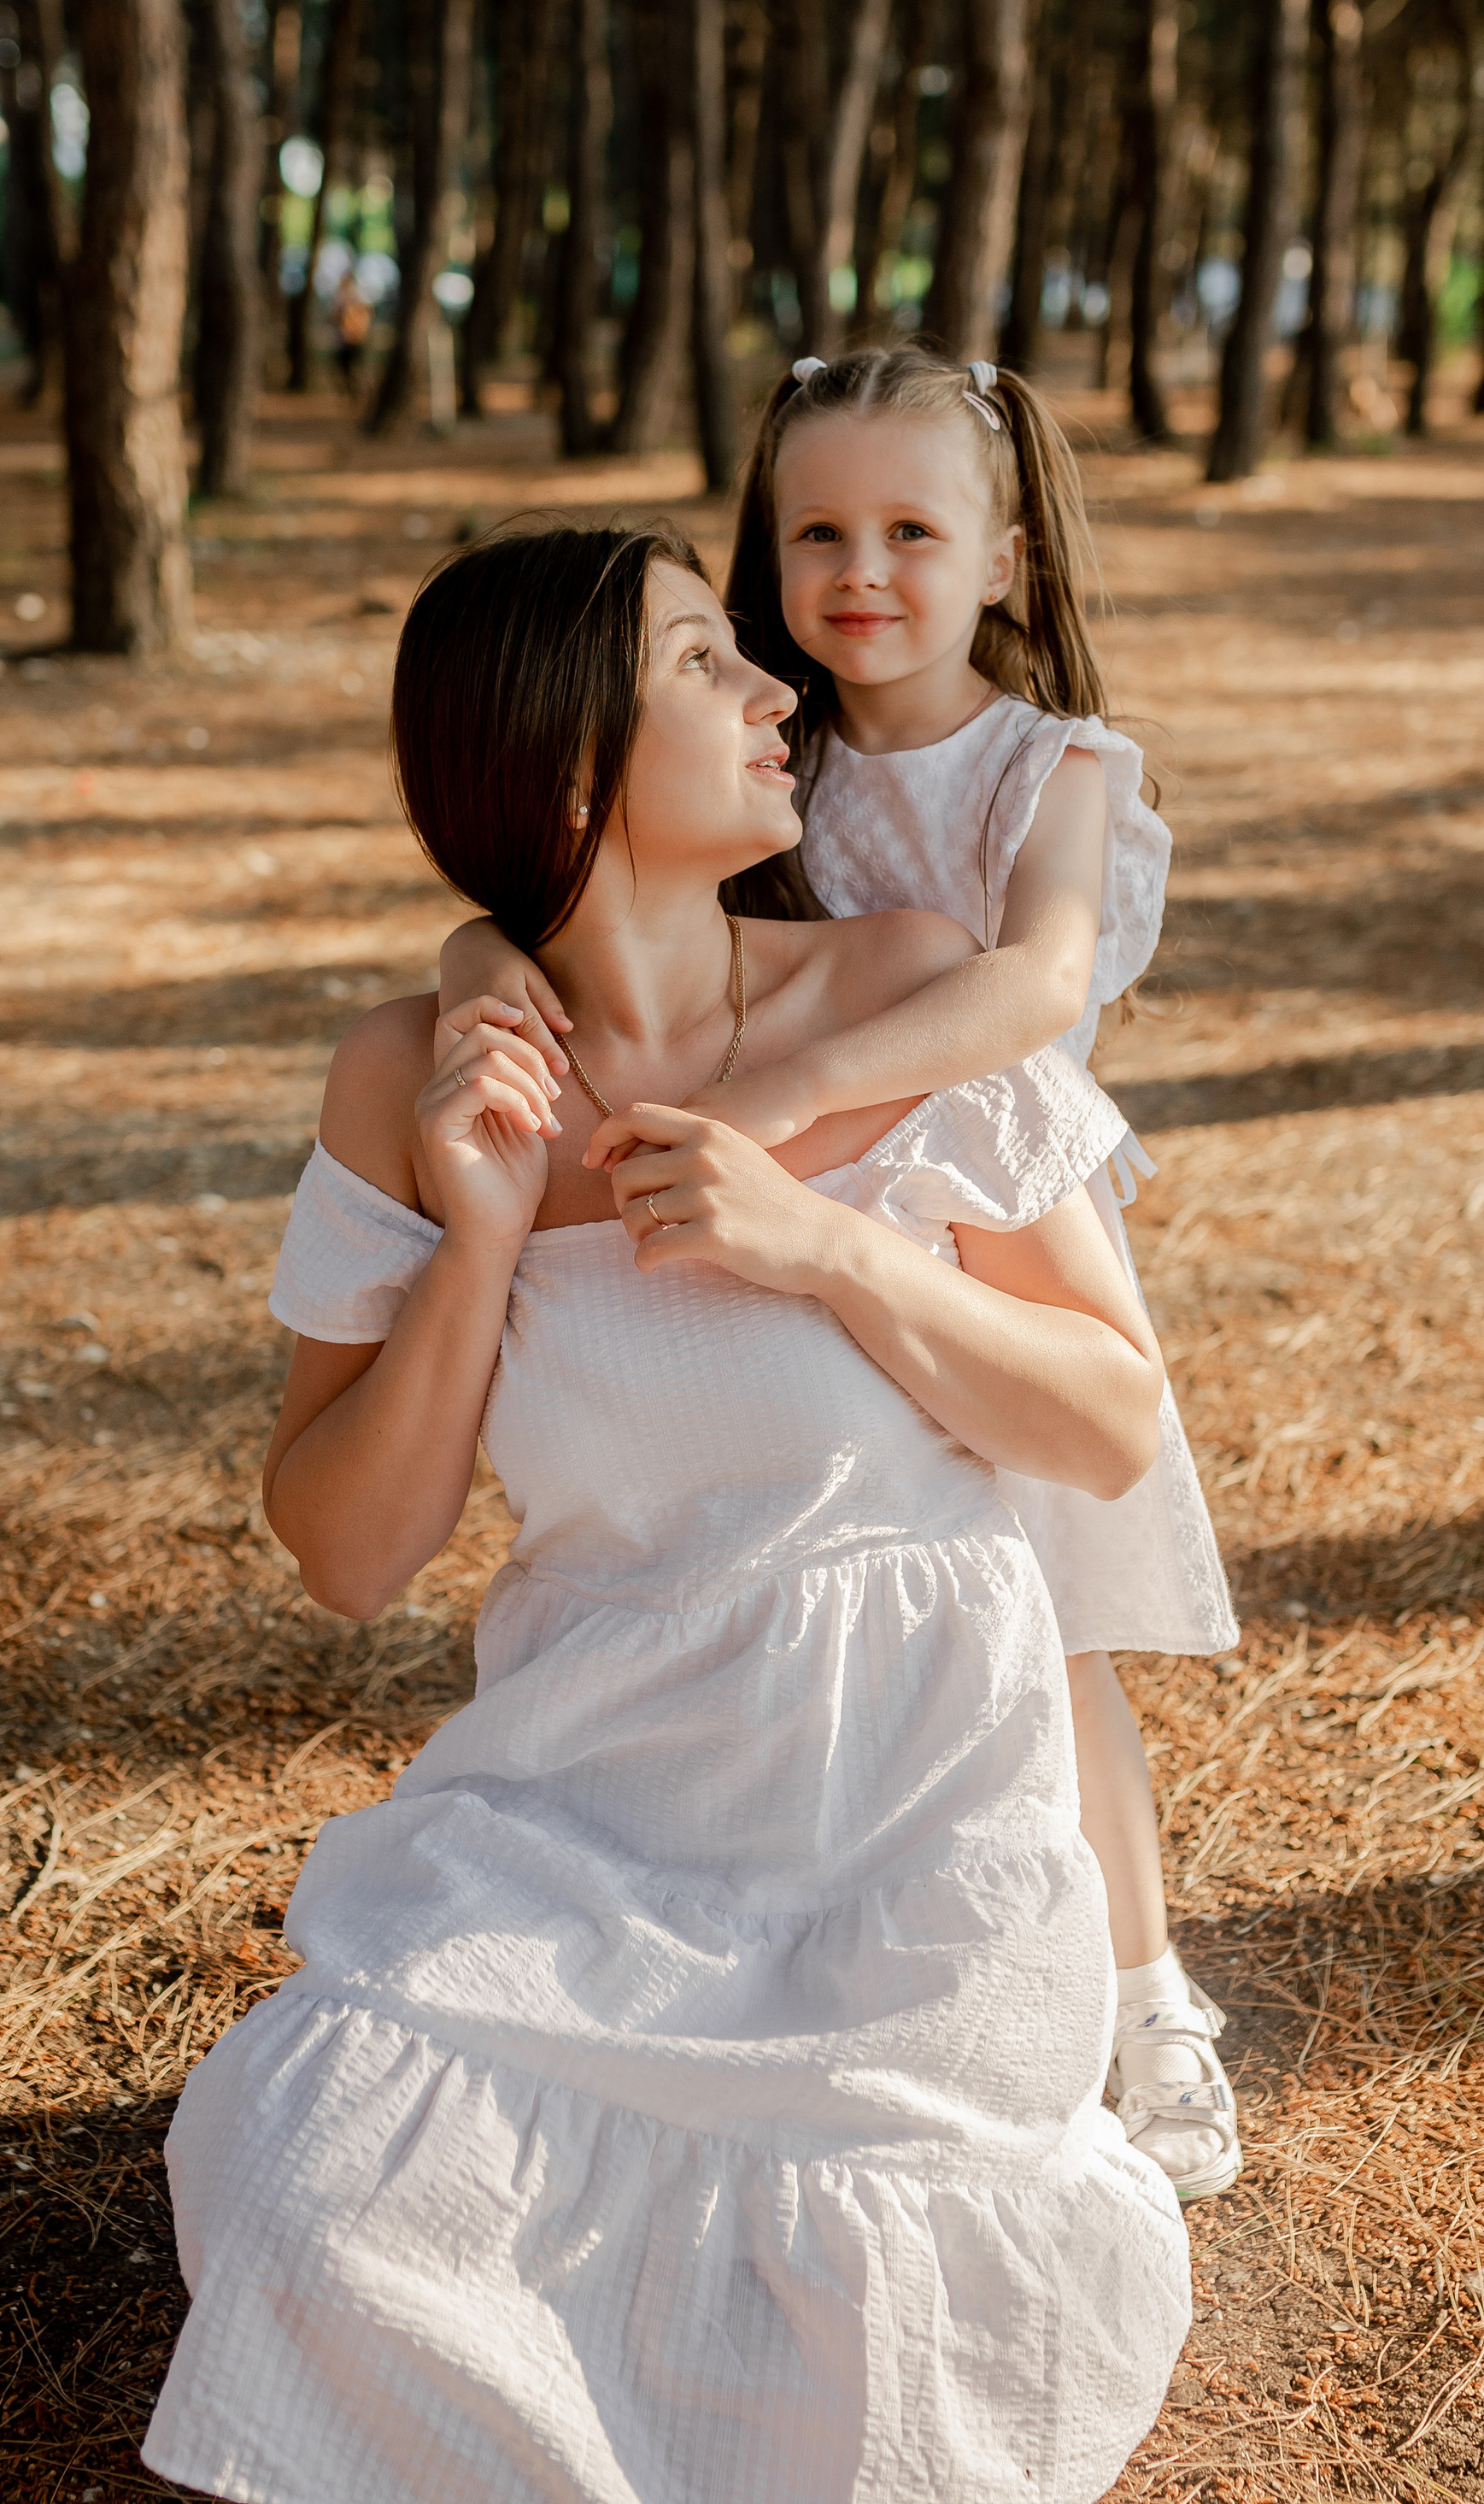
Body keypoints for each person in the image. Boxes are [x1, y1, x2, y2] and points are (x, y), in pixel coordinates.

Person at [144, 519, 1190, 2504]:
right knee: (300, 2186)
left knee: (899, 2348)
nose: (777, 688)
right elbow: (347, 1550)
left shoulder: (897, 987)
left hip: (903, 1788)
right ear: (561, 766)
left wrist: (830, 1251)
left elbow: (1104, 1424)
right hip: (589, 1788)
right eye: (706, 662)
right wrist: (478, 1224)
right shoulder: (408, 1074)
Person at [439, 350, 1241, 2205]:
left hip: (985, 1210)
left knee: (1051, 1635)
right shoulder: (762, 740)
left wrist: (787, 1098)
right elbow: (582, 871)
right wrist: (481, 957)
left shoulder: (1052, 764)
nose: (859, 571)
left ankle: (1145, 1995)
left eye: (910, 532)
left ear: (1006, 560)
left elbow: (1033, 985)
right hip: (787, 1237)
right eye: (816, 533)